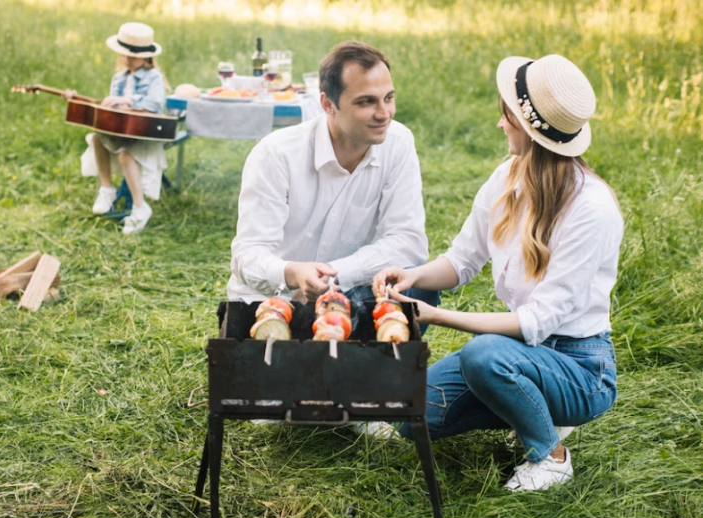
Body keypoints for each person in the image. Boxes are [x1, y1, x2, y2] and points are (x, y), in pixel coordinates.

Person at [373, 54, 623, 491]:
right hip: (520, 355)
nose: (499, 124)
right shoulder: (507, 177)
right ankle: (529, 405)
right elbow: (461, 261)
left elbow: (536, 322)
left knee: (483, 355)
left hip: (580, 368)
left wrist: (435, 316)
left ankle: (550, 455)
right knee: (411, 417)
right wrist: (412, 276)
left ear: (528, 129)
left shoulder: (591, 209)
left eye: (506, 115)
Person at [228, 41, 440, 437]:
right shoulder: (276, 154)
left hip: (351, 298)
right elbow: (247, 256)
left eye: (389, 98)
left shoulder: (398, 142)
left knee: (418, 291)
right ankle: (290, 383)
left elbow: (409, 242)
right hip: (281, 302)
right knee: (283, 328)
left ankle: (362, 395)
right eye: (366, 102)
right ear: (327, 104)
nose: (384, 114)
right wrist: (292, 272)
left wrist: (333, 274)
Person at [69, 22, 168, 234]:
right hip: (122, 132)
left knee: (125, 155)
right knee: (96, 138)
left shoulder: (154, 77)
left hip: (145, 134)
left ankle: (140, 207)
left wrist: (127, 100)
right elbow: (115, 114)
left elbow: (155, 103)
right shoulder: (119, 78)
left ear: (146, 56)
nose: (128, 59)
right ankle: (107, 189)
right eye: (125, 55)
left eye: (134, 55)